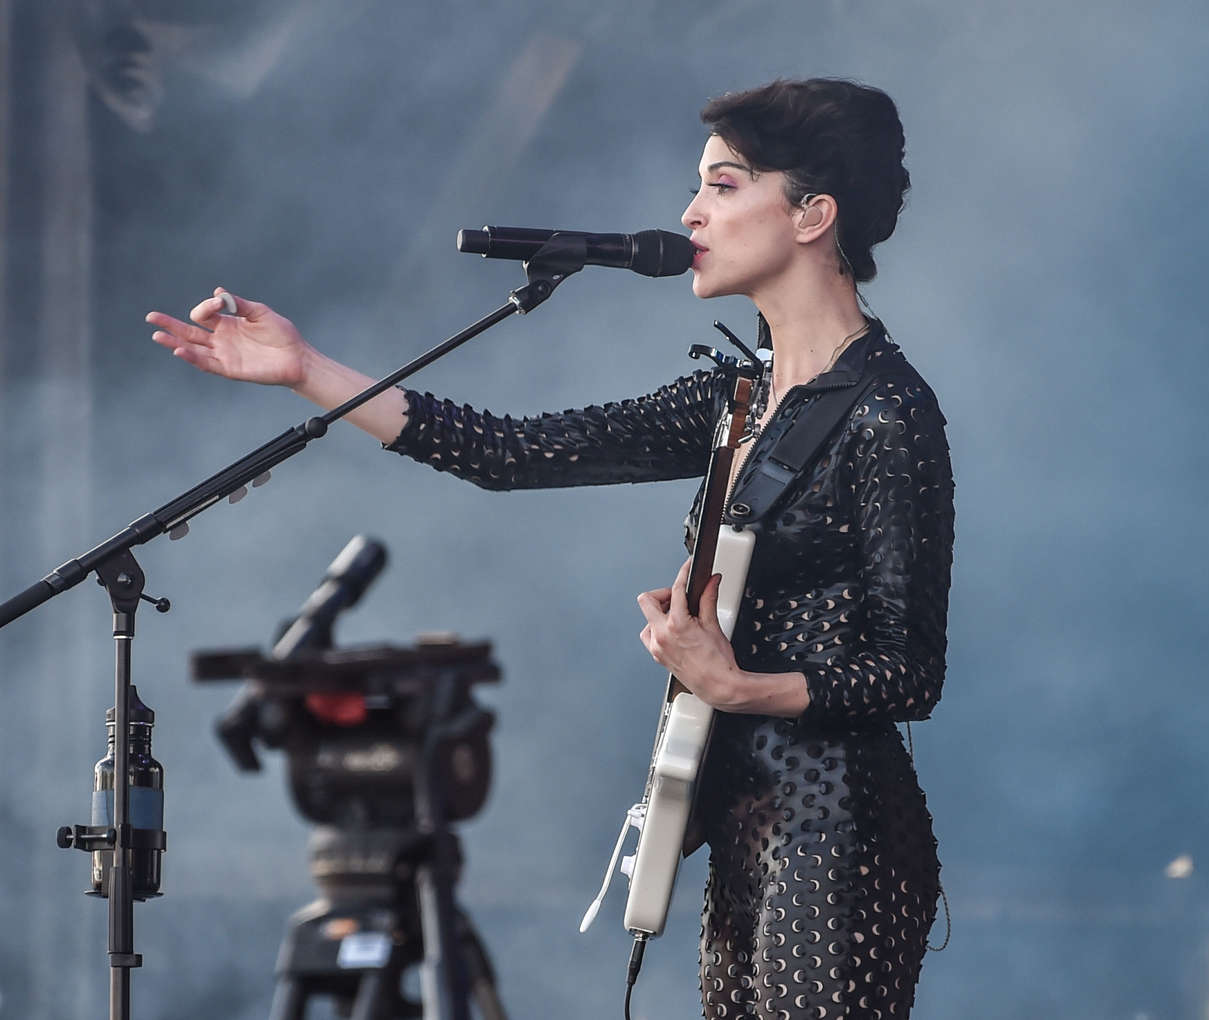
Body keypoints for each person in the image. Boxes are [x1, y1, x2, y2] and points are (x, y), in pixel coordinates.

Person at [148, 77, 952, 1019]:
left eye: (724, 186)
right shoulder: (738, 399)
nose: (690, 212)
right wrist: (304, 370)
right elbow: (512, 453)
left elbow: (909, 672)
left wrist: (736, 686)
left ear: (814, 214)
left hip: (841, 828)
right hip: (743, 820)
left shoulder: (889, 413)